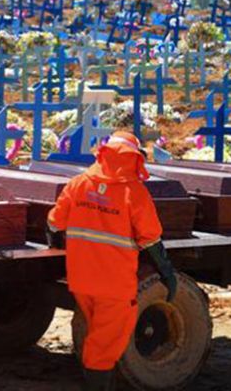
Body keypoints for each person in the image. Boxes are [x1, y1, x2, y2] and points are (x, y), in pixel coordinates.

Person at [47, 131, 178, 391]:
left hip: (81, 280)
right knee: (106, 345)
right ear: (135, 159)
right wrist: (167, 273)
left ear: (104, 153)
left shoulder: (78, 183)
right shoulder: (135, 193)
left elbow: (54, 222)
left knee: (98, 334)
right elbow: (150, 239)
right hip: (114, 286)